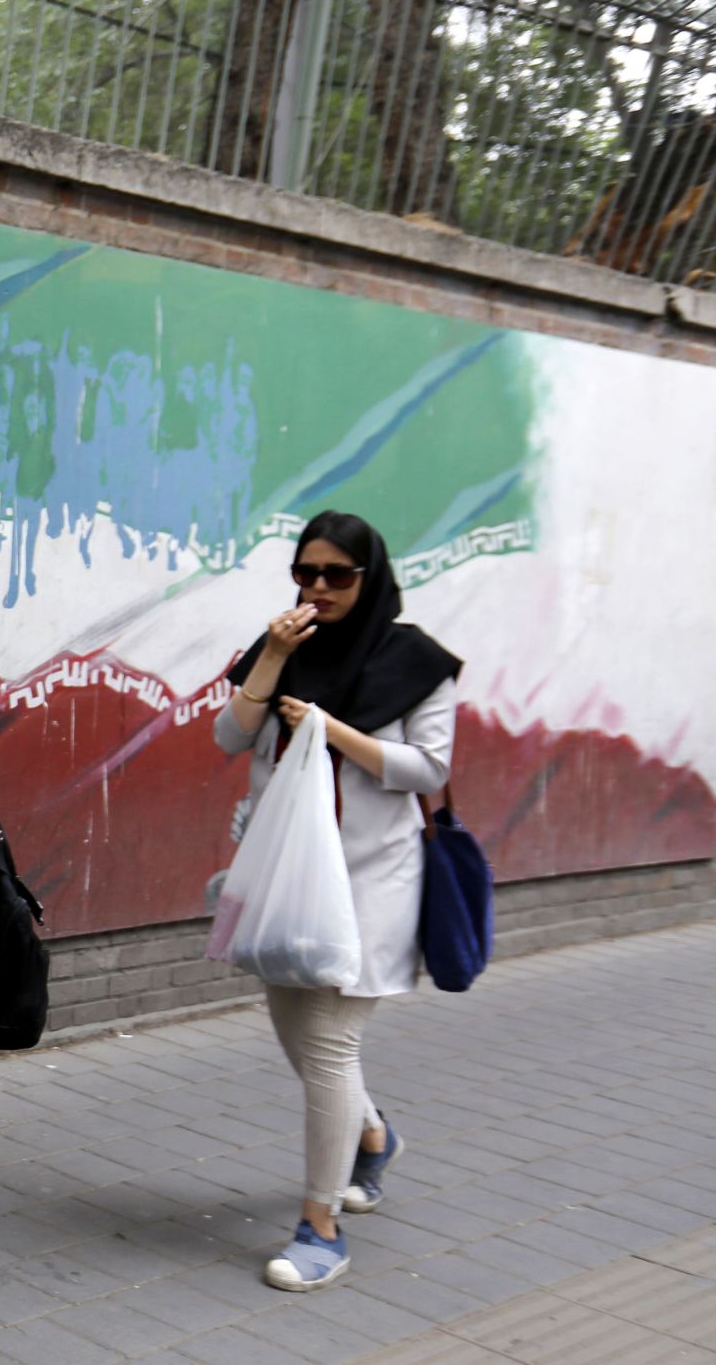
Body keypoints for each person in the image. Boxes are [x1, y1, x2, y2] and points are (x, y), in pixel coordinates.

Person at [217, 510, 461, 1291]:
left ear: (370, 576)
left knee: (326, 1047)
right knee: (295, 1030)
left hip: (367, 882)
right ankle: (373, 1135)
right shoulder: (284, 645)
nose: (318, 589)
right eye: (305, 572)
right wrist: (276, 658)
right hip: (282, 876)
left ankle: (320, 1226)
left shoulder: (414, 659)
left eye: (337, 575)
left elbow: (425, 769)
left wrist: (330, 729)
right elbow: (231, 736)